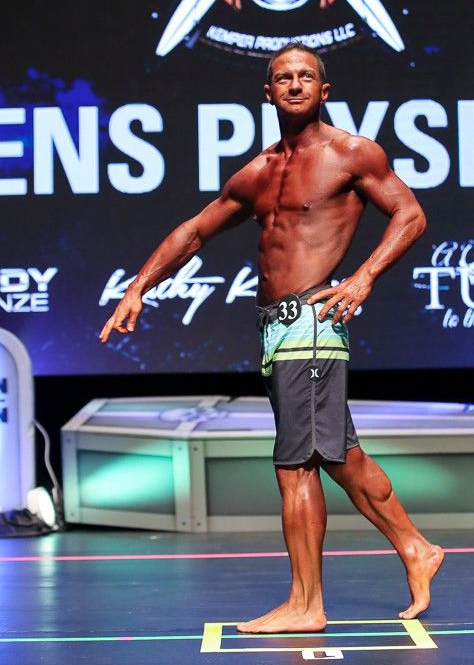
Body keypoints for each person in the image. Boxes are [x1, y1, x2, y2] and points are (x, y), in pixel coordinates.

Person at [100, 42, 444, 633]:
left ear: (324, 90)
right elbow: (194, 232)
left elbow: (410, 215)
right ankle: (416, 547)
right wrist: (138, 287)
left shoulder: (351, 153)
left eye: (306, 76)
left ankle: (306, 605)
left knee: (297, 466)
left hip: (311, 324)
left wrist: (363, 277)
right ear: (268, 92)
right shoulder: (258, 172)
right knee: (340, 456)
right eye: (283, 77)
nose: (294, 84)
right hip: (275, 332)